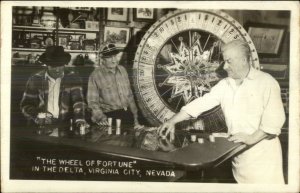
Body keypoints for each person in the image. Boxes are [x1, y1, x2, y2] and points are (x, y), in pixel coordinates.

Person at [158, 40, 286, 184]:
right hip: (239, 159)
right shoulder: (225, 84)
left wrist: (251, 138)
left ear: (244, 60)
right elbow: (201, 103)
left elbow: (274, 121)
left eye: (229, 61)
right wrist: (172, 121)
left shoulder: (266, 82)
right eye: (224, 61)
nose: (225, 66)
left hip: (263, 161)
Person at [20, 46, 88, 136]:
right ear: (46, 65)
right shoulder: (35, 79)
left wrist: (79, 119)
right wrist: (37, 116)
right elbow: (26, 105)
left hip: (66, 126)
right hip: (41, 126)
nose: (57, 69)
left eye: (60, 65)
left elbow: (78, 101)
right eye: (53, 66)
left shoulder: (73, 78)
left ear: (64, 64)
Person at [87, 43, 143, 129]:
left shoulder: (123, 70)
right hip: (109, 118)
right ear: (102, 59)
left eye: (115, 56)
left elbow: (130, 96)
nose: (114, 60)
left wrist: (135, 119)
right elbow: (92, 102)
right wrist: (100, 117)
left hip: (128, 115)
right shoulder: (95, 76)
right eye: (109, 57)